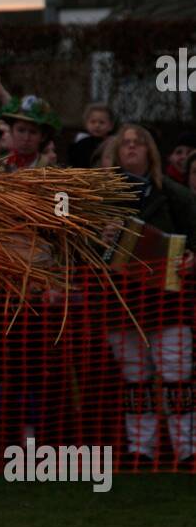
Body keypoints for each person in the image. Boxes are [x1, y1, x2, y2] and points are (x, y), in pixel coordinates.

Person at [104, 124, 196, 463]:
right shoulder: (101, 197)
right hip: (121, 305)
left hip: (168, 303)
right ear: (115, 153)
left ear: (150, 152)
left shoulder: (174, 194)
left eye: (138, 144)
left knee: (177, 377)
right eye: (125, 144)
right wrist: (102, 234)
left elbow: (194, 236)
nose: (131, 149)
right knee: (135, 381)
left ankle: (186, 449)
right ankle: (140, 449)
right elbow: (80, 246)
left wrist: (192, 258)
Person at [0, 95, 61, 171]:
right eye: (21, 130)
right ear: (11, 131)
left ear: (43, 136)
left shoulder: (50, 170)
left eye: (33, 132)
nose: (26, 138)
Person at [67, 103, 116, 168]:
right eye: (93, 122)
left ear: (111, 126)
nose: (97, 125)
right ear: (86, 123)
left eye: (102, 122)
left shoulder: (113, 144)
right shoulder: (80, 145)